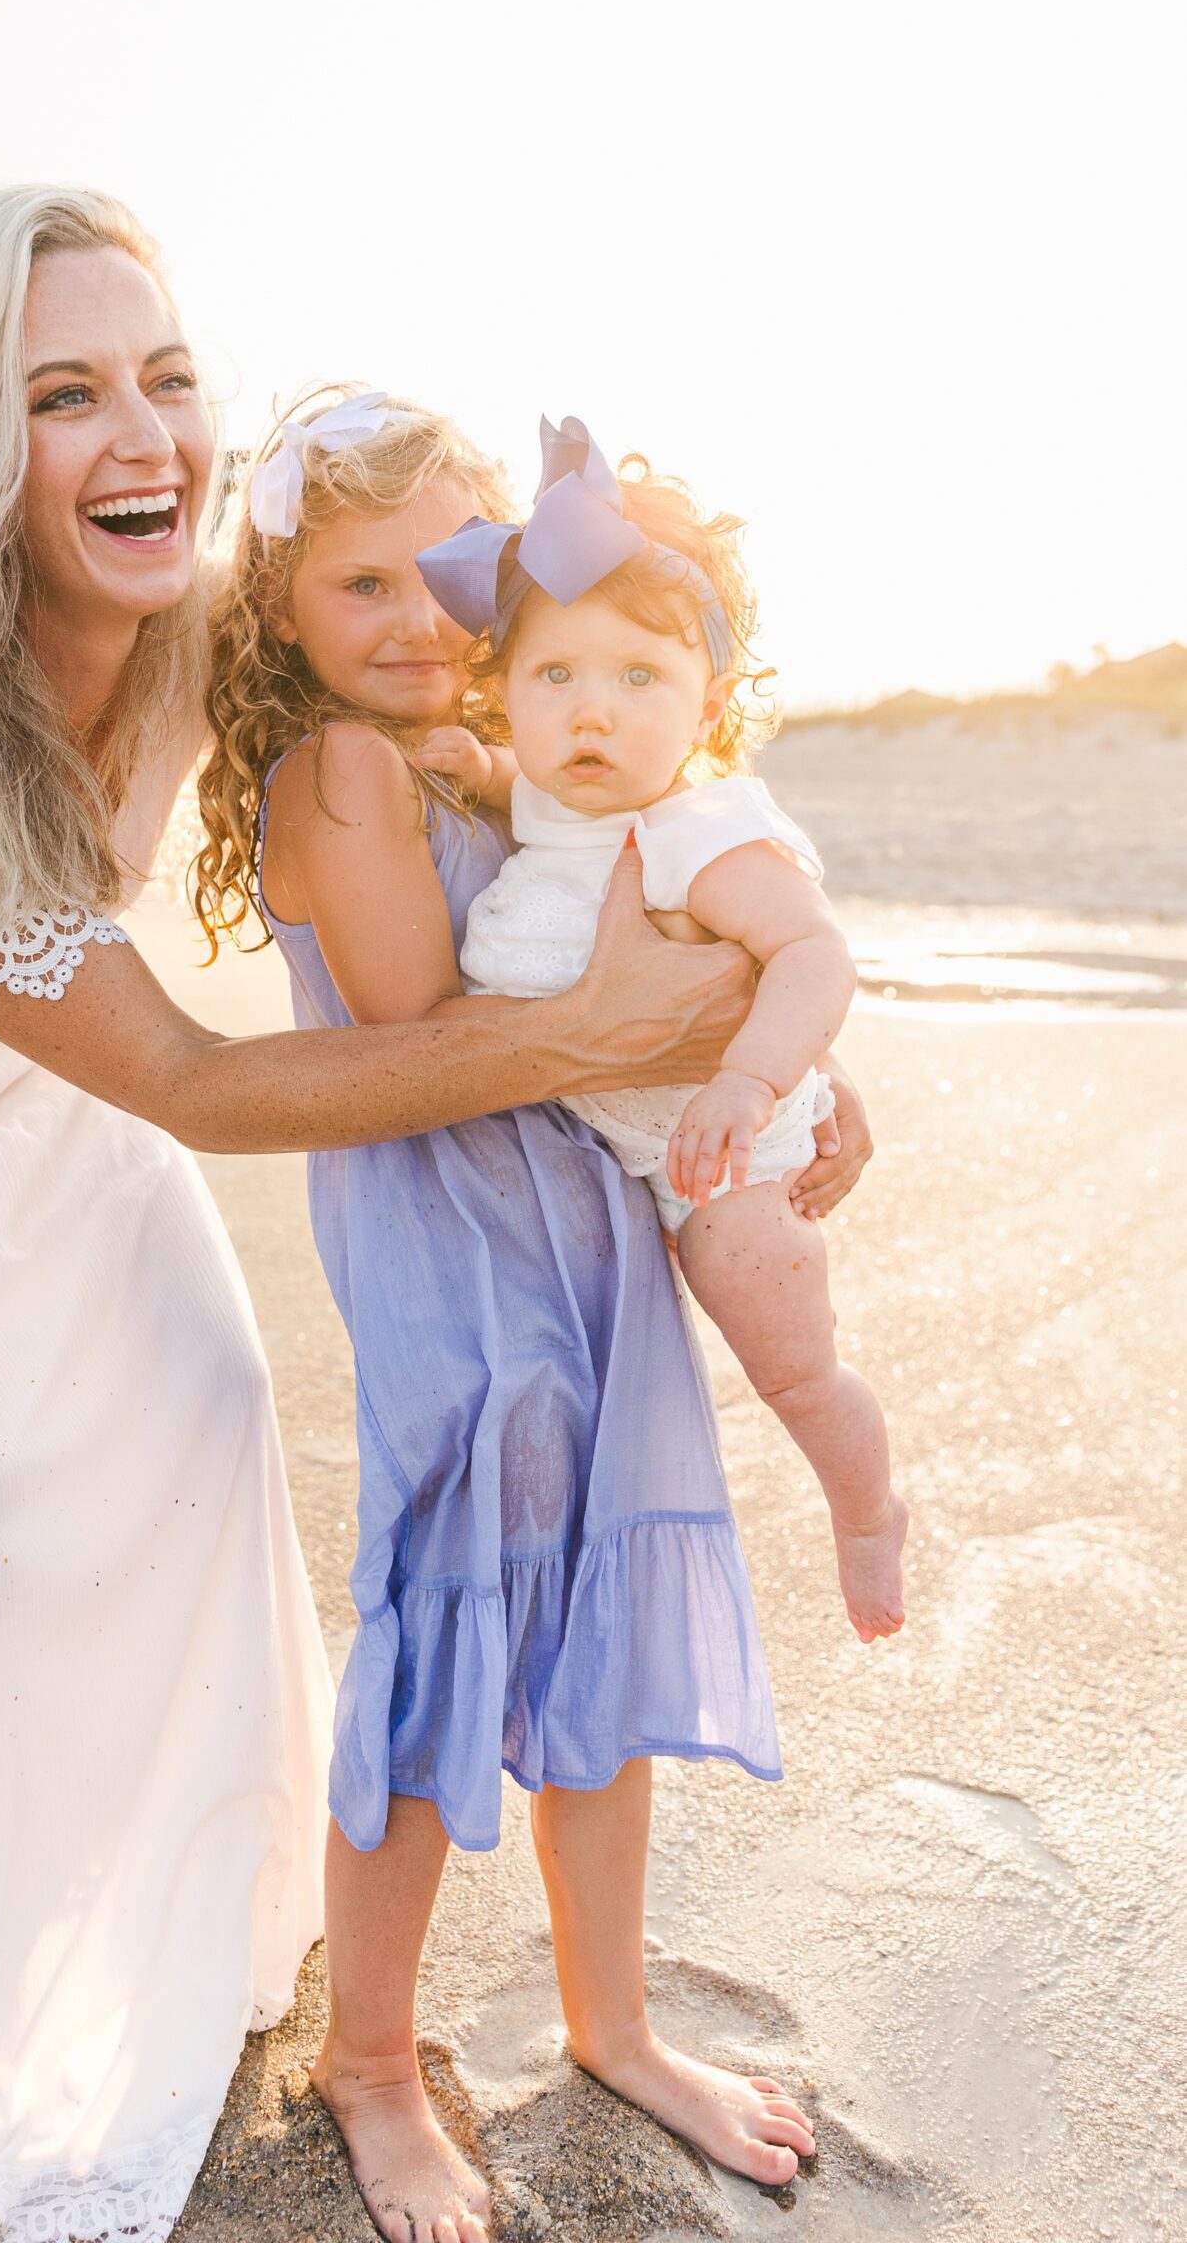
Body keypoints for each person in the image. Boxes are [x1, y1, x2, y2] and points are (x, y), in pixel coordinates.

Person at [0, 195, 773, 2243]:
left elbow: (444, 627)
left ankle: (154, 1878)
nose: (143, 434)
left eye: (164, 376)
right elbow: (206, 1087)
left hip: (47, 1096)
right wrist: (589, 1027)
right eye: (61, 395)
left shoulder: (203, 608)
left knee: (207, 1422)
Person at [196, 390, 868, 2243]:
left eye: (446, 577)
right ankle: (376, 2064)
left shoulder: (506, 758)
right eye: (357, 587)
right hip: (455, 1238)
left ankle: (613, 2020)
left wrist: (779, 1058)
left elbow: (691, 916)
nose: (415, 620)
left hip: (590, 1225)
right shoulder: (344, 771)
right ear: (281, 620)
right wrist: (664, 1000)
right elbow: (433, 1032)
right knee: (448, 1608)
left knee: (591, 1618)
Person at [428, 418, 907, 1645]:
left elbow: (812, 952)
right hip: (601, 1148)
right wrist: (454, 760)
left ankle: (865, 1508)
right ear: (510, 692)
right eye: (557, 678)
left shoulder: (702, 830)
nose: (595, 714)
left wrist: (752, 1086)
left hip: (719, 1161)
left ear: (706, 703)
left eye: (640, 679)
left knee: (787, 1360)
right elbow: (509, 777)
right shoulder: (543, 790)